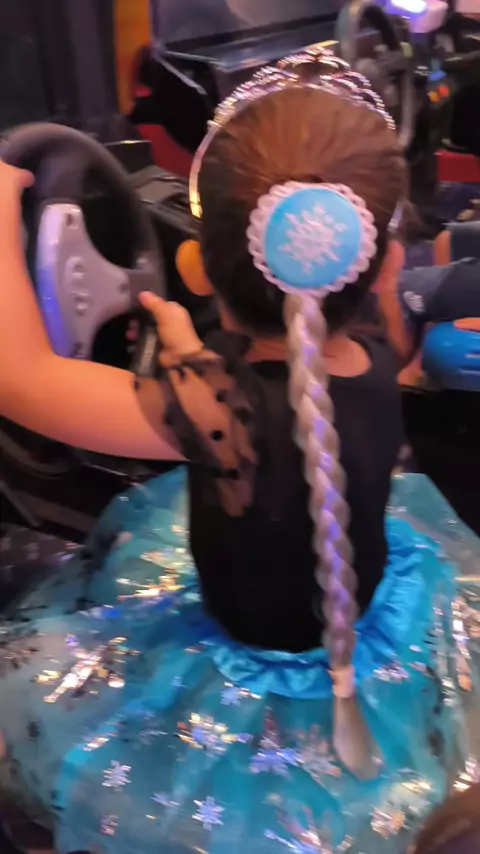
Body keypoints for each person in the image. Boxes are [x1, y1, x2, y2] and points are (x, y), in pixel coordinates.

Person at [0, 49, 478, 854]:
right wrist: (192, 359)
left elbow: (19, 378)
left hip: (241, 681)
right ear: (386, 265)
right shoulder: (374, 353)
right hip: (375, 630)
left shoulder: (206, 408)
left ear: (195, 264)